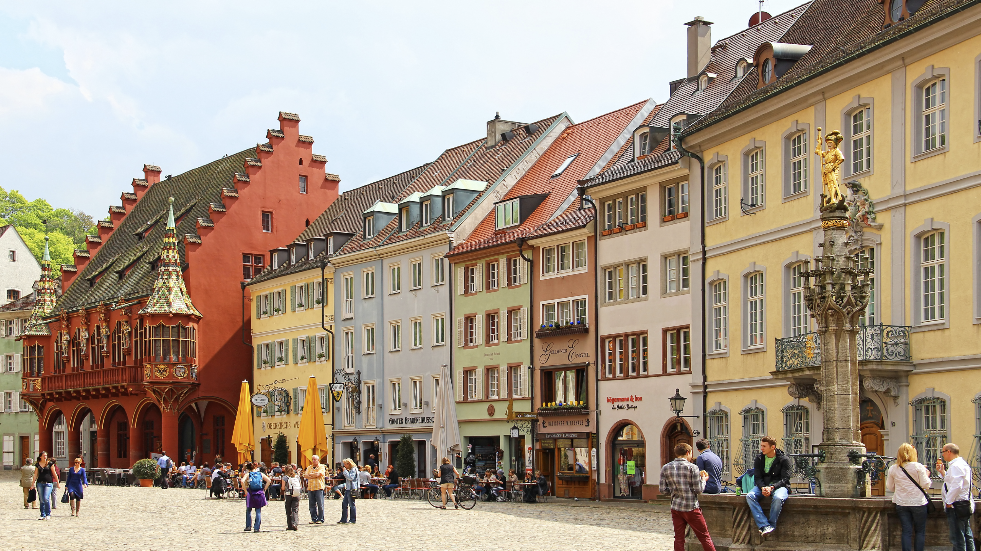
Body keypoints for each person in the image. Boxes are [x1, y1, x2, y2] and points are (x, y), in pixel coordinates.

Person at [660, 442, 716, 551]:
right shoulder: (692, 468)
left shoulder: (666, 467)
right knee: (704, 536)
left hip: (676, 507)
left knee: (679, 538)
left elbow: (663, 490)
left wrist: (674, 492)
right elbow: (698, 490)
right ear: (687, 452)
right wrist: (703, 480)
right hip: (691, 508)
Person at [886, 443, 932, 551]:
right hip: (918, 503)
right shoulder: (918, 467)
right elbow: (926, 485)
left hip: (901, 503)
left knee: (906, 531)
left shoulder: (893, 468)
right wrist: (927, 475)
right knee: (920, 531)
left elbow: (890, 487)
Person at [744, 436, 792, 537]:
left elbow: (785, 479)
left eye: (764, 446)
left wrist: (772, 487)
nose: (761, 448)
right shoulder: (759, 458)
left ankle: (771, 524)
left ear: (772, 447)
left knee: (778, 498)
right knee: (750, 496)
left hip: (779, 486)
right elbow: (757, 477)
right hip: (763, 486)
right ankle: (764, 525)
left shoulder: (784, 460)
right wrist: (763, 487)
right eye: (761, 446)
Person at [937, 443, 975, 551]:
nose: (942, 455)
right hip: (962, 504)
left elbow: (957, 486)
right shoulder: (960, 464)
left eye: (943, 452)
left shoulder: (956, 466)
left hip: (956, 505)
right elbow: (952, 481)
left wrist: (949, 501)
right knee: (967, 535)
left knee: (958, 538)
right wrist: (942, 472)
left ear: (949, 452)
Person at [241, 462, 270, 533]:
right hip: (259, 493)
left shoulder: (248, 474)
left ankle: (248, 526)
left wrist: (245, 490)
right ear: (255, 468)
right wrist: (264, 489)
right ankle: (256, 527)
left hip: (250, 493)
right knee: (258, 510)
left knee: (248, 510)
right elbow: (269, 481)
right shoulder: (261, 474)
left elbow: (242, 481)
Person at [303, 455, 327, 524]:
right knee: (312, 504)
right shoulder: (309, 467)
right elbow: (305, 475)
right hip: (310, 488)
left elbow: (318, 474)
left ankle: (321, 519)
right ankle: (314, 518)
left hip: (318, 487)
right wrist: (313, 475)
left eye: (314, 459)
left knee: (320, 504)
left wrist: (311, 475)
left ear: (318, 460)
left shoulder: (321, 467)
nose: (313, 461)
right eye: (312, 459)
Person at [32, 452, 54, 520]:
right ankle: (42, 514)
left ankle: (48, 514)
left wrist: (58, 483)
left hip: (48, 483)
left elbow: (54, 473)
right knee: (41, 500)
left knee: (46, 498)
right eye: (44, 455)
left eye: (46, 455)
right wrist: (32, 484)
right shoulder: (37, 465)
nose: (45, 457)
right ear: (40, 457)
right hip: (40, 483)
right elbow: (35, 475)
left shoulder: (50, 464)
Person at [338, 458, 358, 524]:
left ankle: (352, 519)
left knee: (352, 504)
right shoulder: (350, 469)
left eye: (345, 464)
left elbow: (351, 478)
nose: (344, 466)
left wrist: (345, 472)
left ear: (348, 464)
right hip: (348, 489)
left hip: (352, 489)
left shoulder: (353, 469)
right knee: (344, 504)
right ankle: (343, 519)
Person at [283, 465, 301, 531]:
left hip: (288, 495)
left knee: (288, 510)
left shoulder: (285, 477)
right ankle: (295, 523)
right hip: (296, 494)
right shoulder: (297, 477)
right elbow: (300, 485)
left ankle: (290, 525)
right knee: (295, 509)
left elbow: (282, 487)